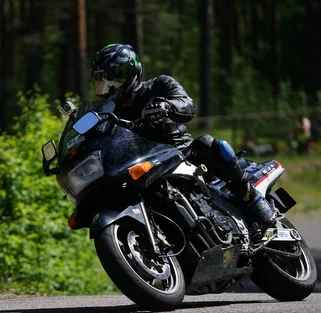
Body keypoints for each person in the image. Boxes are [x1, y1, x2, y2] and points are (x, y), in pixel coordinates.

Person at [90, 44, 274, 237]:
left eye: (113, 79)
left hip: (182, 155)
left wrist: (167, 106)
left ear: (130, 72)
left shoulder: (159, 85)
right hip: (145, 166)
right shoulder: (110, 114)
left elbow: (188, 105)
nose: (108, 87)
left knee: (207, 144)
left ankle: (253, 200)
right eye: (102, 81)